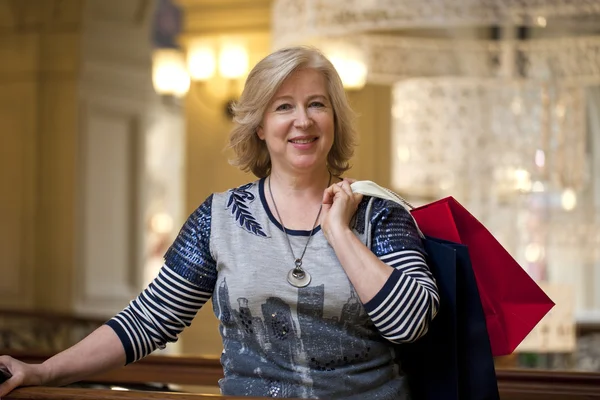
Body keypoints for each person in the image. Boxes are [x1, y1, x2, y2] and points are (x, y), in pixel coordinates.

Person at [0, 46, 439, 399]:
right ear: (260, 128)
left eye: (316, 104)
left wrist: (340, 233)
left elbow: (411, 323)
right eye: (283, 106)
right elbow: (148, 320)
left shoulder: (381, 213)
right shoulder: (219, 218)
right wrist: (43, 372)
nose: (302, 120)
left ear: (334, 120)